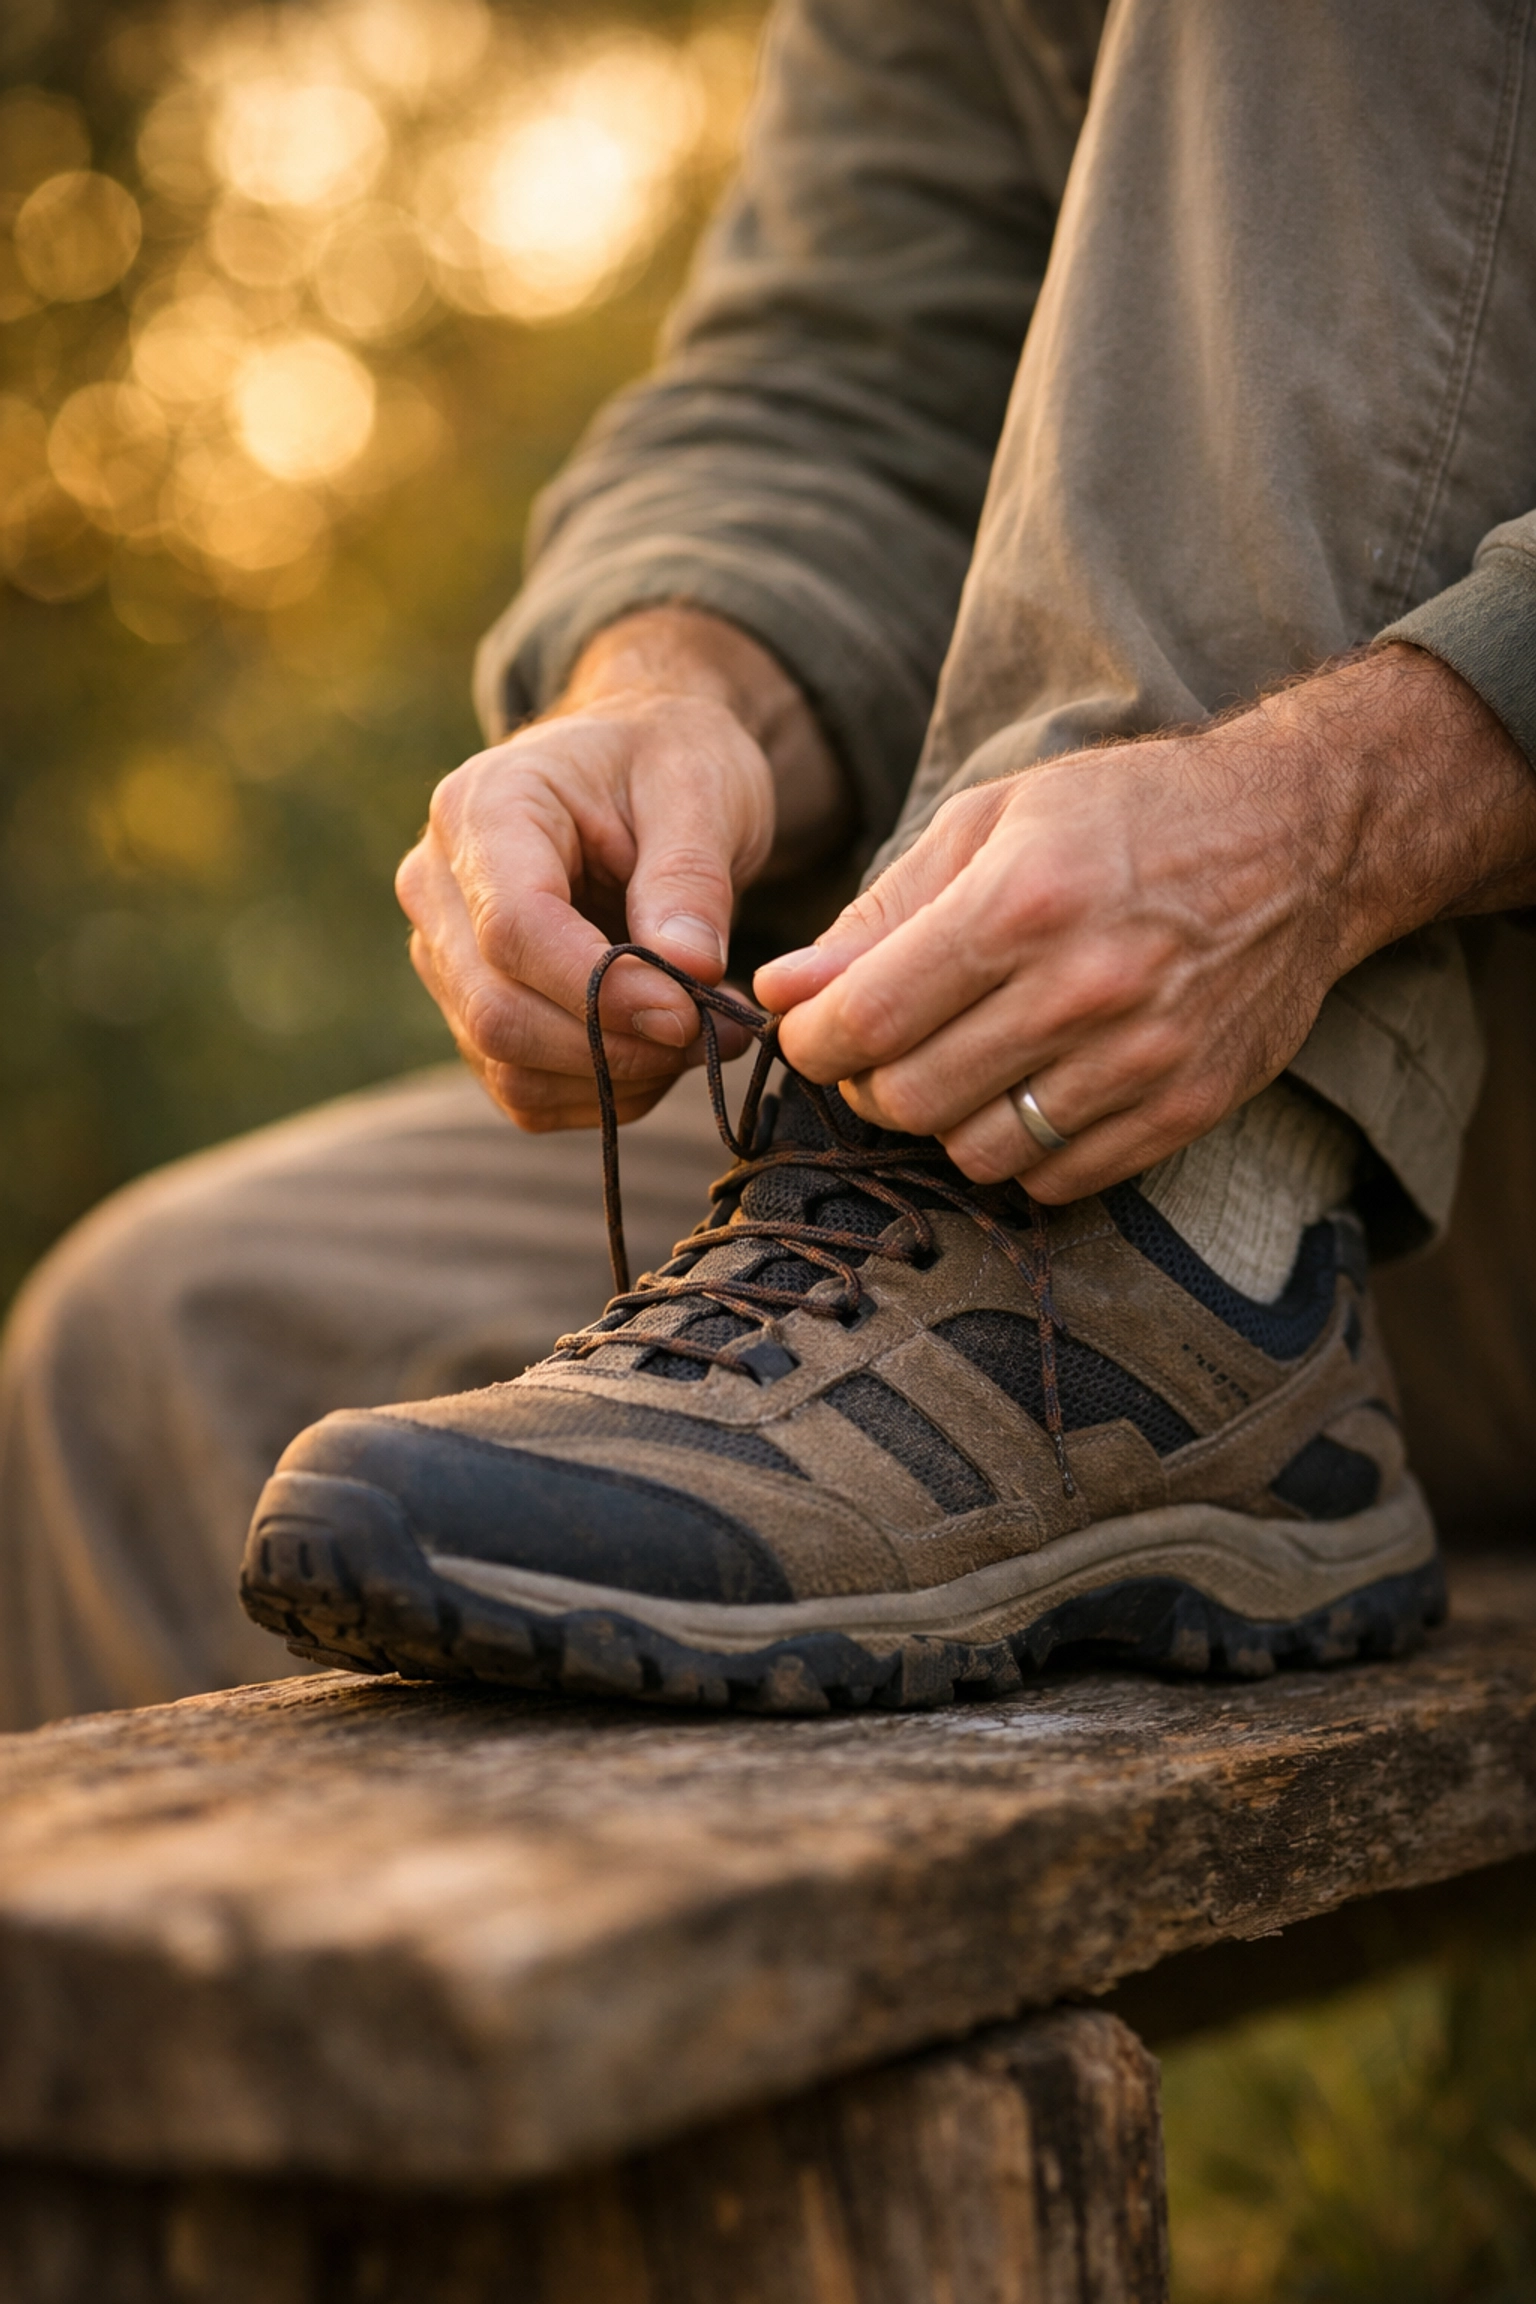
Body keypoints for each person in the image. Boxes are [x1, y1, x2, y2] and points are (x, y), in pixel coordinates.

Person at [4, 0, 1536, 1725]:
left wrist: (1347, 807)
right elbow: (844, 372)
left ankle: (1193, 1230)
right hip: (980, 1136)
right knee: (159, 1345)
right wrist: (675, 686)